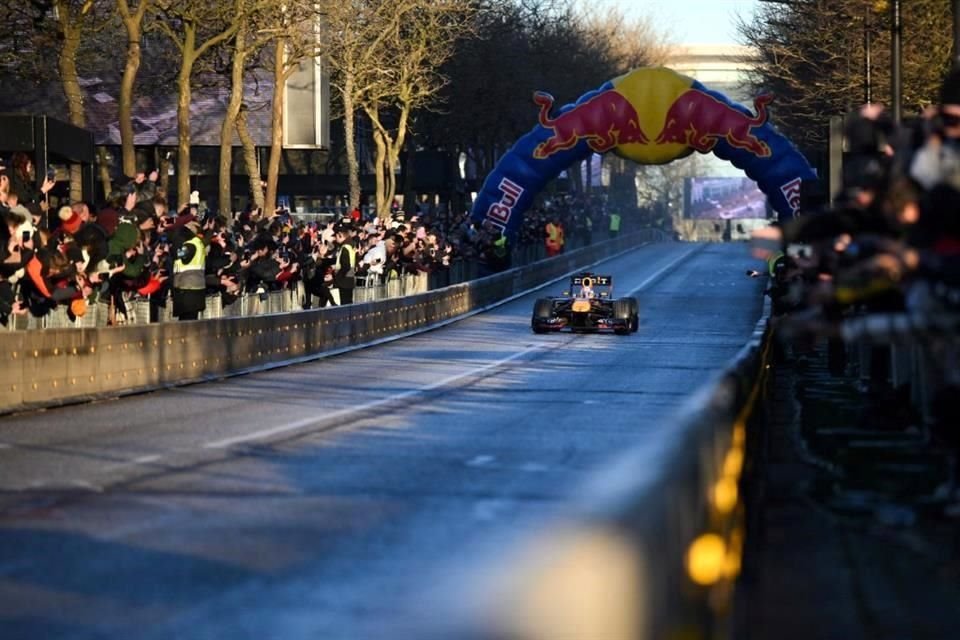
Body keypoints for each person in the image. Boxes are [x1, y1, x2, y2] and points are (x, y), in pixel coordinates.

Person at [171, 221, 206, 320]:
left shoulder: (190, 245)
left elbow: (179, 255)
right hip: (195, 288)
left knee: (186, 322)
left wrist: (176, 243)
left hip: (187, 289)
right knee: (191, 321)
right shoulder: (198, 243)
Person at [331, 224, 357, 304]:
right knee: (348, 305)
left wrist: (337, 278)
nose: (335, 239)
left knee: (343, 305)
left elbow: (346, 266)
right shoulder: (351, 246)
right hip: (349, 280)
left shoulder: (345, 247)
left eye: (336, 236)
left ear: (340, 235)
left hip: (343, 282)